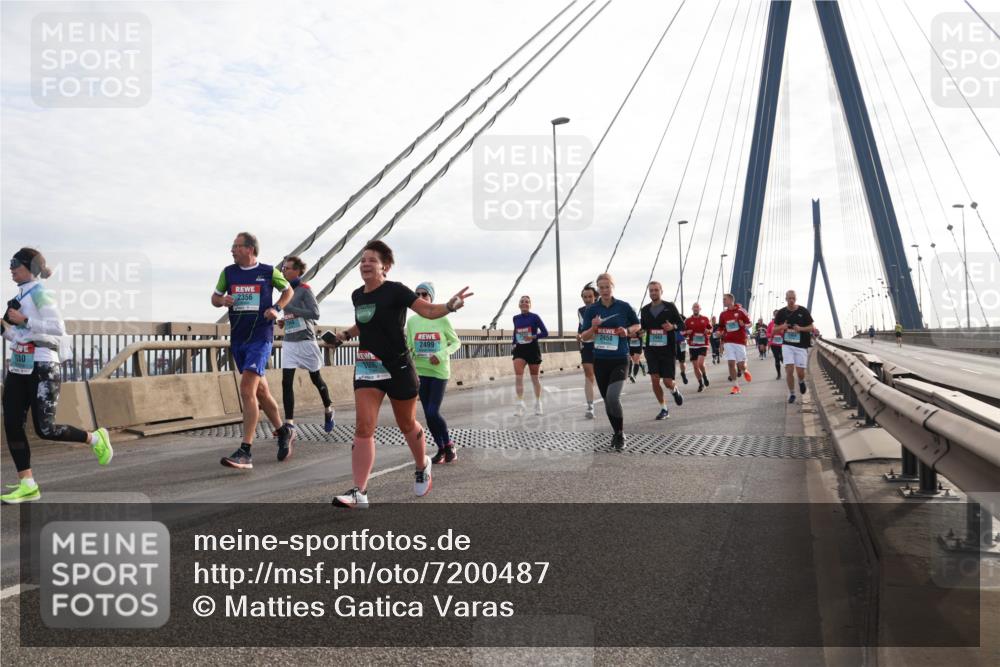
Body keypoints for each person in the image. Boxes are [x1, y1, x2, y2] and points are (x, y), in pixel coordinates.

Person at [332, 240, 472, 508]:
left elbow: (427, 310)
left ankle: (422, 464)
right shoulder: (357, 295)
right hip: (368, 366)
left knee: (406, 423)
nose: (365, 264)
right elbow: (364, 323)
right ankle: (359, 492)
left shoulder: (395, 291)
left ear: (385, 267)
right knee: (364, 426)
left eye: (372, 260)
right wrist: (345, 335)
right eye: (362, 260)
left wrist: (450, 305)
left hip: (398, 367)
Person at [1, 248, 113, 504]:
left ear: (30, 267)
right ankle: (27, 484)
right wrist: (5, 330)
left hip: (43, 364)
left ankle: (95, 438)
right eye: (10, 262)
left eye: (15, 263)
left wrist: (24, 319)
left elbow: (57, 327)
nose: (11, 267)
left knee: (46, 429)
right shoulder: (20, 295)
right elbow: (20, 336)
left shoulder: (40, 293)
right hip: (20, 365)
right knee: (12, 423)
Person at [213, 232, 294, 469]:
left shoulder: (269, 272)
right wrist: (222, 301)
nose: (232, 250)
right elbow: (214, 298)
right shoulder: (228, 272)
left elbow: (288, 291)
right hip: (239, 339)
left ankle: (245, 451)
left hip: (261, 338)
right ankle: (283, 431)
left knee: (247, 389)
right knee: (261, 392)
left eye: (236, 246)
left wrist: (276, 308)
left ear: (249, 249)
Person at [277, 255, 335, 461]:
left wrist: (291, 309)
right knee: (286, 382)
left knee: (316, 378)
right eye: (283, 268)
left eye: (287, 268)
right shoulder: (285, 291)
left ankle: (328, 408)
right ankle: (290, 425)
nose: (283, 271)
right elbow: (292, 315)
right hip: (290, 342)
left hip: (306, 341)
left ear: (297, 271)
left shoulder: (305, 289)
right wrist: (285, 320)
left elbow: (314, 313)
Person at [580, 273, 639, 450]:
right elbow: (584, 336)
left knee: (613, 397)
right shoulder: (592, 309)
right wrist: (594, 327)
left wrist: (627, 331)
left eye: (607, 287)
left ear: (612, 287)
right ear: (598, 290)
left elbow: (637, 325)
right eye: (601, 287)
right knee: (607, 401)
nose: (605, 290)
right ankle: (617, 432)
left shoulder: (623, 306)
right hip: (600, 360)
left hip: (620, 359)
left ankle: (620, 434)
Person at [406, 282, 462, 464]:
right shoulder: (411, 322)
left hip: (439, 372)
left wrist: (440, 354)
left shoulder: (442, 319)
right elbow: (410, 345)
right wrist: (411, 351)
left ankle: (449, 445)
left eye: (425, 294)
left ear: (431, 298)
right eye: (417, 294)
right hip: (421, 372)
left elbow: (456, 343)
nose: (421, 297)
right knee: (428, 415)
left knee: (432, 412)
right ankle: (441, 448)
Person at [639, 281, 685, 420]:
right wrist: (639, 333)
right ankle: (664, 409)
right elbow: (643, 328)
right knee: (654, 379)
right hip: (651, 349)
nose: (653, 292)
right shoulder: (645, 310)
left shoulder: (669, 307)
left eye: (656, 290)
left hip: (668, 349)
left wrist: (673, 327)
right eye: (651, 290)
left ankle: (674, 390)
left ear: (661, 291)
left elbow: (682, 324)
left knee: (667, 382)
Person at [774, 290, 815, 404]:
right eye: (789, 298)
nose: (791, 300)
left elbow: (812, 327)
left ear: (795, 299)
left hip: (801, 346)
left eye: (793, 298)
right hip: (787, 345)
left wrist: (800, 329)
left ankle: (801, 381)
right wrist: (782, 326)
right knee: (789, 369)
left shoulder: (803, 311)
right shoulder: (781, 313)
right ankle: (792, 393)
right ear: (786, 299)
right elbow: (774, 330)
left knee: (800, 373)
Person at [511, 295, 548, 416]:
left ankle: (538, 403)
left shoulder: (535, 317)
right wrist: (513, 343)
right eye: (522, 301)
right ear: (519, 304)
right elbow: (515, 332)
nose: (524, 303)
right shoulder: (515, 318)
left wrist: (533, 336)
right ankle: (519, 404)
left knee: (534, 378)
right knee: (518, 377)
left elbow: (545, 333)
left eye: (527, 302)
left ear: (530, 305)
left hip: (532, 349)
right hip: (520, 349)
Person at [718, 293, 752, 395]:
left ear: (731, 300)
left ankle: (745, 370)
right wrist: (719, 332)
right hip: (728, 341)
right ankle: (736, 386)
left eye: (725, 299)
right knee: (731, 363)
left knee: (741, 365)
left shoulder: (741, 311)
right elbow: (721, 326)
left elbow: (750, 323)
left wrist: (744, 325)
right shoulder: (723, 314)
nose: (723, 301)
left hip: (739, 341)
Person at [577, 284, 599, 419]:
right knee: (589, 374)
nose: (587, 299)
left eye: (590, 296)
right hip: (587, 345)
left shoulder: (602, 308)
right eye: (585, 297)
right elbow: (581, 326)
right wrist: (579, 334)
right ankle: (590, 407)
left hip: (602, 345)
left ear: (595, 297)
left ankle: (611, 400)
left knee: (602, 376)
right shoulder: (581, 310)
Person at [684, 302, 712, 392]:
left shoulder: (705, 319)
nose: (696, 308)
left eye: (697, 307)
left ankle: (704, 375)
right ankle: (701, 384)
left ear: (700, 309)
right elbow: (682, 332)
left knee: (700, 363)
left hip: (703, 344)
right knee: (695, 367)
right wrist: (686, 332)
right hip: (693, 346)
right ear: (692, 309)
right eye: (694, 307)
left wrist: (708, 331)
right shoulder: (687, 321)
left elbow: (710, 329)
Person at [766, 310, 784, 380]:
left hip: (782, 344)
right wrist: (772, 334)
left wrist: (782, 333)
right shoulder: (771, 324)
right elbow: (767, 334)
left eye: (778, 314)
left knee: (782, 358)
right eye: (775, 314)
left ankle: (788, 370)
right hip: (774, 344)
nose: (777, 315)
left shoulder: (783, 323)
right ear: (774, 315)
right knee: (777, 358)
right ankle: (778, 374)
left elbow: (787, 333)